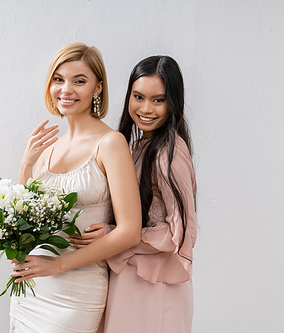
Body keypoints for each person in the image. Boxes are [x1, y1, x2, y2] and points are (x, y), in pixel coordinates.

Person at [9, 42, 142, 333]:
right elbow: (25, 227)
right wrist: (25, 166)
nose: (66, 89)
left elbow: (130, 231)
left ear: (98, 88)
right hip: (32, 289)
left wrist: (58, 265)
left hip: (76, 291)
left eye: (79, 81)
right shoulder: (48, 149)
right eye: (59, 79)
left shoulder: (111, 143)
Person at [71, 55, 197, 332]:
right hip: (130, 275)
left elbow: (180, 233)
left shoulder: (169, 154)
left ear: (173, 102)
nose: (145, 109)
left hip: (155, 282)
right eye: (138, 97)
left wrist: (114, 234)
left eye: (158, 100)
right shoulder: (136, 146)